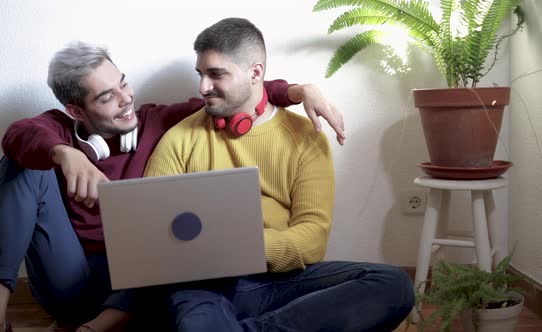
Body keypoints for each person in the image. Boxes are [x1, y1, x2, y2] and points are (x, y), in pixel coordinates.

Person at [0, 40, 345, 332]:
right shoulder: (55, 129)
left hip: (141, 282)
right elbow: (18, 134)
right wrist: (64, 153)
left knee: (170, 243)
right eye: (108, 97)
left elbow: (233, 92)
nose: (126, 100)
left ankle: (106, 323)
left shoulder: (160, 122)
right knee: (21, 164)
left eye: (123, 85)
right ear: (76, 110)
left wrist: (297, 91)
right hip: (68, 278)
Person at [143, 17, 415, 331]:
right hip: (204, 283)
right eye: (201, 75)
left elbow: (312, 238)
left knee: (393, 284)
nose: (203, 87)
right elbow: (153, 235)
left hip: (283, 281)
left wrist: (245, 247)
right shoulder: (180, 138)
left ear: (255, 72)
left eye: (216, 74)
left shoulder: (304, 137)